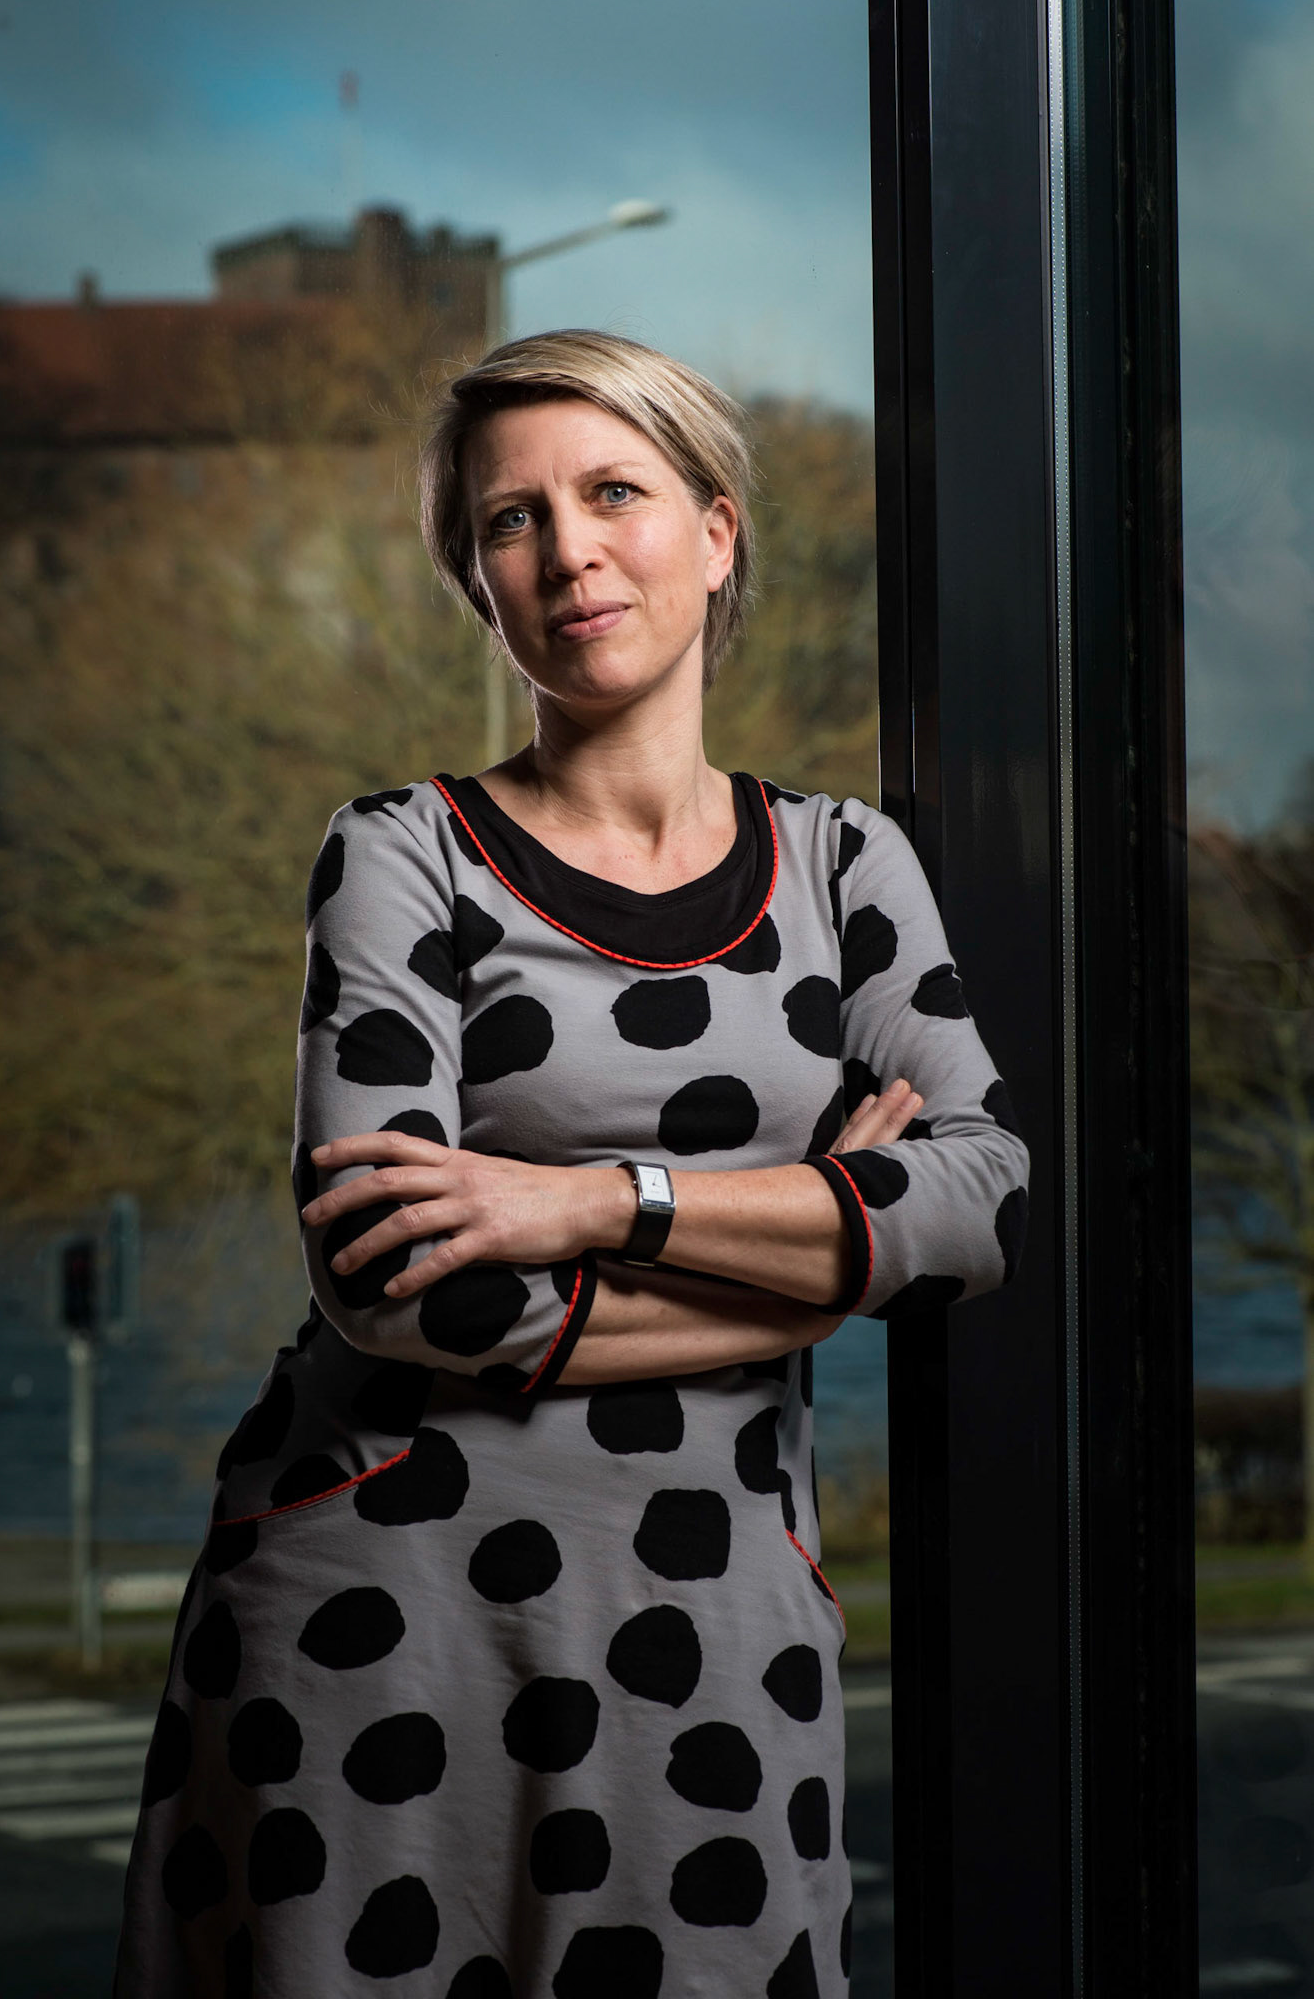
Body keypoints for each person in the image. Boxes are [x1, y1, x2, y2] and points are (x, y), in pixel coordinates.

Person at [115, 329, 1029, 1999]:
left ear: (716, 532)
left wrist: (592, 1202)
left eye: (614, 493)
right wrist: (815, 1271)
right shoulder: (401, 853)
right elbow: (405, 1293)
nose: (568, 552)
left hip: (721, 1620)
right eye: (511, 521)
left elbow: (981, 1208)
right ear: (479, 583)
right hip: (379, 1615)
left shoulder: (848, 864)